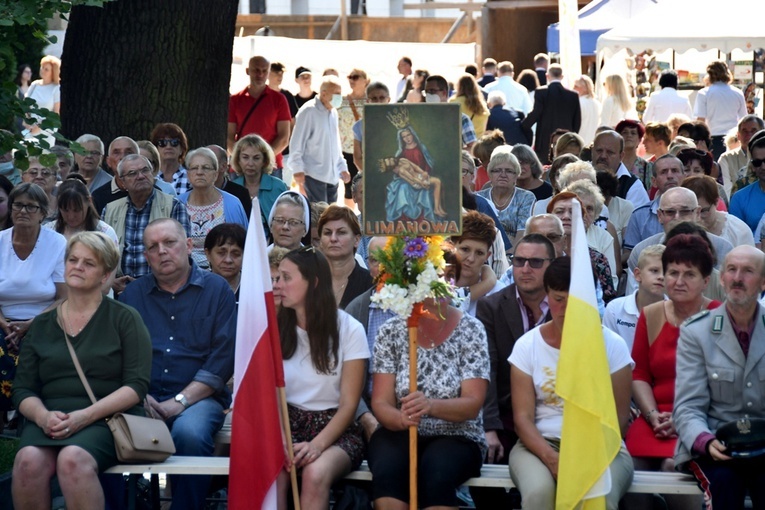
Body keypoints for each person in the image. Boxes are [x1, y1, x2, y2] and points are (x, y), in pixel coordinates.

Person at [11, 232, 151, 510]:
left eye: (89, 263)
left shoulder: (124, 318)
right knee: (28, 461)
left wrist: (83, 417)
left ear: (105, 276)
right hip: (49, 419)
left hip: (105, 418)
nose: (77, 266)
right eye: (73, 260)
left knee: (72, 459)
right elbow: (23, 389)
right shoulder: (42, 324)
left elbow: (136, 385)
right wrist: (42, 416)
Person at [119, 218, 236, 510]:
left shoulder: (216, 289)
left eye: (169, 243)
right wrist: (138, 394)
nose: (162, 251)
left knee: (189, 433)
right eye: (153, 247)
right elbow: (120, 355)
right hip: (140, 398)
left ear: (188, 245)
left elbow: (223, 358)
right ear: (146, 256)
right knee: (103, 433)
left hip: (199, 400)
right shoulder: (132, 296)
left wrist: (180, 401)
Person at [508, 257, 634, 510]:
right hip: (540, 443)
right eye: (558, 299)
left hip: (601, 443)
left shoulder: (612, 345)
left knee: (598, 498)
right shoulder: (527, 345)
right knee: (538, 494)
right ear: (547, 296)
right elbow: (522, 418)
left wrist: (588, 457)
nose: (566, 308)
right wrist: (551, 459)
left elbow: (620, 417)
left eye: (575, 300)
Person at [369, 294, 489, 509]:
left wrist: (431, 406)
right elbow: (380, 402)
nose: (440, 287)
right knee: (388, 470)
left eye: (448, 277)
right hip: (399, 430)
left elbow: (472, 403)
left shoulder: (471, 329)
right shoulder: (391, 330)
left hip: (457, 434)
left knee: (437, 471)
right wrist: (400, 419)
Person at [624, 235, 716, 510]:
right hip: (655, 417)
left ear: (706, 280)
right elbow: (638, 373)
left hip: (703, 418)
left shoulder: (720, 318)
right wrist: (651, 415)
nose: (679, 280)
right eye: (673, 272)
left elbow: (724, 384)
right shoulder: (651, 314)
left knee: (670, 466)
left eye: (690, 274)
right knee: (630, 467)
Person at [273, 247, 369, 510]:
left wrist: (316, 446)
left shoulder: (350, 329)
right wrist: (282, 438)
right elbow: (269, 395)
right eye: (277, 277)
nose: (278, 284)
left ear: (313, 283)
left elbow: (349, 405)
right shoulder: (274, 328)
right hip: (284, 424)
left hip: (335, 430)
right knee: (275, 471)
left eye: (286, 277)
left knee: (315, 474)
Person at [673, 245, 765, 508]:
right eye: (731, 270)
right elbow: (688, 406)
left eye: (748, 271)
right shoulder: (696, 333)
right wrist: (705, 440)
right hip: (715, 445)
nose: (737, 278)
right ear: (722, 278)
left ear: (763, 282)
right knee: (724, 483)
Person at [102, 154, 190, 290]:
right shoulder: (109, 210)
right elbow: (101, 254)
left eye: (145, 170)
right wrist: (111, 282)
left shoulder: (173, 206)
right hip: (118, 289)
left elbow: (184, 253)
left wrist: (144, 285)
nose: (141, 176)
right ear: (122, 182)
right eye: (132, 173)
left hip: (161, 289)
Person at [177, 147, 247, 268]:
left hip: (224, 271)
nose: (199, 172)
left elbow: (244, 243)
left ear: (215, 174)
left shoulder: (232, 203)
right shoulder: (178, 203)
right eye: (194, 168)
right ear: (188, 174)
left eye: (206, 168)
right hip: (186, 272)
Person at [289, 75, 351, 204]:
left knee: (330, 217)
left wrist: (342, 167)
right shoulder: (308, 111)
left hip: (332, 176)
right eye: (336, 94)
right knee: (318, 216)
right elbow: (296, 143)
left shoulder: (333, 112)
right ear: (324, 94)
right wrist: (297, 169)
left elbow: (335, 145)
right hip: (313, 175)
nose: (340, 97)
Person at [227, 55, 291, 171]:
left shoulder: (279, 99)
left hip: (271, 166)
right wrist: (241, 160)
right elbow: (229, 136)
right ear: (248, 71)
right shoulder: (235, 100)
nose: (260, 74)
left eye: (264, 71)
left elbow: (284, 138)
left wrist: (265, 159)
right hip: (241, 167)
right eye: (256, 70)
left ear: (268, 72)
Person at [603, 245, 665, 351]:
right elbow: (607, 351)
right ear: (637, 274)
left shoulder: (677, 312)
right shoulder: (615, 309)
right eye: (654, 271)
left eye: (668, 272)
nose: (661, 277)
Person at [522, 64, 581, 165]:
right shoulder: (573, 95)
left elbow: (536, 112)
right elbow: (577, 121)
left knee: (544, 170)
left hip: (544, 140)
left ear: (547, 76)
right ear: (562, 76)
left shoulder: (541, 92)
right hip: (566, 140)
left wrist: (523, 125)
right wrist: (572, 137)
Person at [476, 146, 536, 246]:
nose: (503, 175)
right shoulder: (479, 197)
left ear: (516, 176)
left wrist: (508, 255)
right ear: (490, 174)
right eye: (498, 170)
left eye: (509, 171)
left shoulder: (526, 197)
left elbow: (522, 235)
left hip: (514, 253)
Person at [318, 205, 373, 309]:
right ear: (320, 240)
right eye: (327, 233)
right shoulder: (309, 280)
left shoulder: (370, 283)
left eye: (341, 232)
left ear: (356, 240)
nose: (333, 239)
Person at [450, 210, 505, 316]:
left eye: (479, 253)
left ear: (487, 256)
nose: (471, 259)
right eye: (465, 249)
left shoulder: (498, 293)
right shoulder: (432, 282)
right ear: (451, 247)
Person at [693, 60, 747, 159]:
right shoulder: (738, 93)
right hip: (734, 138)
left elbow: (700, 121)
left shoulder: (704, 93)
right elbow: (744, 118)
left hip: (713, 138)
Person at [681, 174, 752, 247]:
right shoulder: (676, 229)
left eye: (703, 211)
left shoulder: (738, 230)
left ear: (716, 202)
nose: (697, 217)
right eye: (689, 211)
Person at [45, 178, 119, 244]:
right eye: (65, 210)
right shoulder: (49, 231)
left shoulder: (105, 233)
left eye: (77, 210)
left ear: (89, 201)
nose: (71, 216)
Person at [592, 130, 650, 209]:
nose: (603, 156)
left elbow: (638, 219)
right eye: (599, 151)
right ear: (592, 151)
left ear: (621, 156)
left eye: (610, 152)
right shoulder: (578, 173)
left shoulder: (633, 187)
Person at [424, 75, 478, 150]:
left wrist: (452, 152)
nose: (428, 95)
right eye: (426, 91)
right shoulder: (423, 118)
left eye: (432, 91)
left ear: (444, 93)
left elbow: (472, 148)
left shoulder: (461, 119)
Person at [718, 115, 764, 197]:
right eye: (744, 131)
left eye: (753, 131)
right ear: (738, 135)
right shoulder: (726, 158)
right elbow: (726, 190)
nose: (749, 135)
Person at [728, 132, 765, 232]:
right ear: (752, 166)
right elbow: (737, 237)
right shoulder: (739, 198)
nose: (763, 167)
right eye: (757, 162)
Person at [204, 223, 246, 304]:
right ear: (208, 254)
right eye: (221, 253)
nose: (228, 260)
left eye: (236, 254)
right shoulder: (197, 289)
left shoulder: (254, 289)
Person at [23, 56, 60, 144]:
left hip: (46, 131)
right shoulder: (34, 84)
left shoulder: (56, 88)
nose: (42, 70)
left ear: (53, 72)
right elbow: (24, 104)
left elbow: (56, 113)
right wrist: (27, 121)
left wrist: (39, 126)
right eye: (42, 67)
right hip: (30, 129)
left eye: (46, 69)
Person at [151, 123, 192, 195]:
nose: (168, 147)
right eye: (162, 143)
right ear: (156, 148)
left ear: (182, 149)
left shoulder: (191, 178)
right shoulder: (149, 178)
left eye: (174, 142)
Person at [22, 155, 59, 222]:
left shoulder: (62, 205)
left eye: (45, 173)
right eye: (33, 172)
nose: (39, 177)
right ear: (23, 178)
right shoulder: (16, 205)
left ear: (55, 180)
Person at [573, 74, 601, 146]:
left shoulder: (578, 103)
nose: (573, 88)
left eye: (576, 86)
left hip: (579, 142)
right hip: (592, 143)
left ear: (584, 88)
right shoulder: (597, 103)